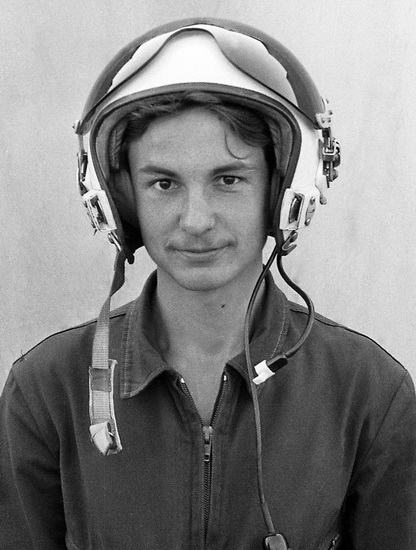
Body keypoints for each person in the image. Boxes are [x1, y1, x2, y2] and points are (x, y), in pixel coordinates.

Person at [1, 18, 415, 550]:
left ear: (284, 190)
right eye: (164, 183)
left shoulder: (368, 393)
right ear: (119, 199)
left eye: (228, 179)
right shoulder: (46, 391)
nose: (196, 220)